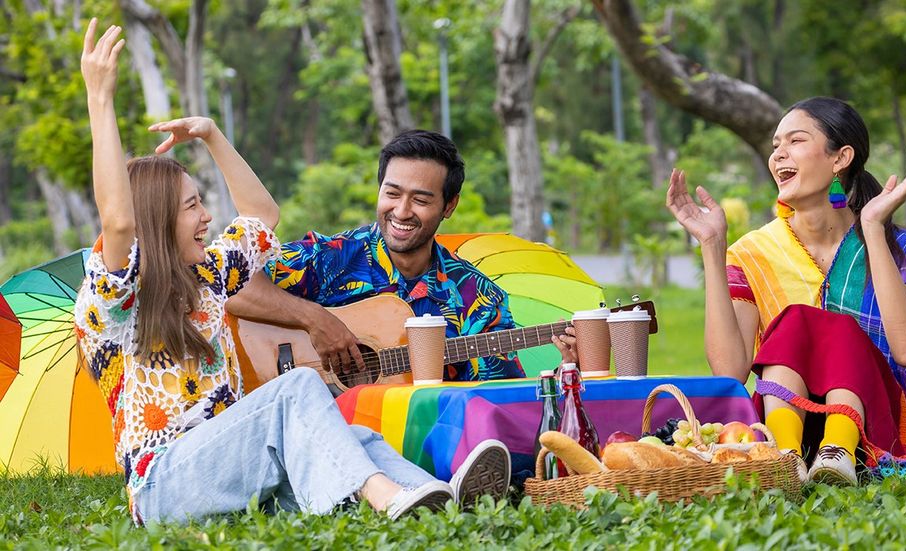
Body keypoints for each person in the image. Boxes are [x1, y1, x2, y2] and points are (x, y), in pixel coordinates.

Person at [74, 20, 508, 525]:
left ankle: (436, 494)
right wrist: (99, 98)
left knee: (353, 431)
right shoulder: (114, 302)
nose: (208, 218)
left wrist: (213, 135)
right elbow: (119, 220)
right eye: (193, 207)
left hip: (233, 468)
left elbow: (263, 213)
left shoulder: (208, 279)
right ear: (157, 221)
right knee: (300, 386)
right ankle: (386, 496)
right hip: (164, 485)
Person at [665, 96, 906, 486]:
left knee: (829, 326)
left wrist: (874, 228)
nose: (779, 155)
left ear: (840, 157)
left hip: (878, 428)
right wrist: (713, 245)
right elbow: (729, 371)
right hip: (786, 425)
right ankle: (787, 458)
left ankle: (839, 448)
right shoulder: (751, 253)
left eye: (795, 141)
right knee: (796, 322)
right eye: (776, 145)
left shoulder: (900, 244)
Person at [227, 130, 577, 380]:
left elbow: (500, 399)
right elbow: (229, 285)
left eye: (421, 200)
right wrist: (315, 319)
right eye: (392, 193)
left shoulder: (477, 298)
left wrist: (567, 372)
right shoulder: (335, 257)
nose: (402, 211)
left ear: (449, 206)